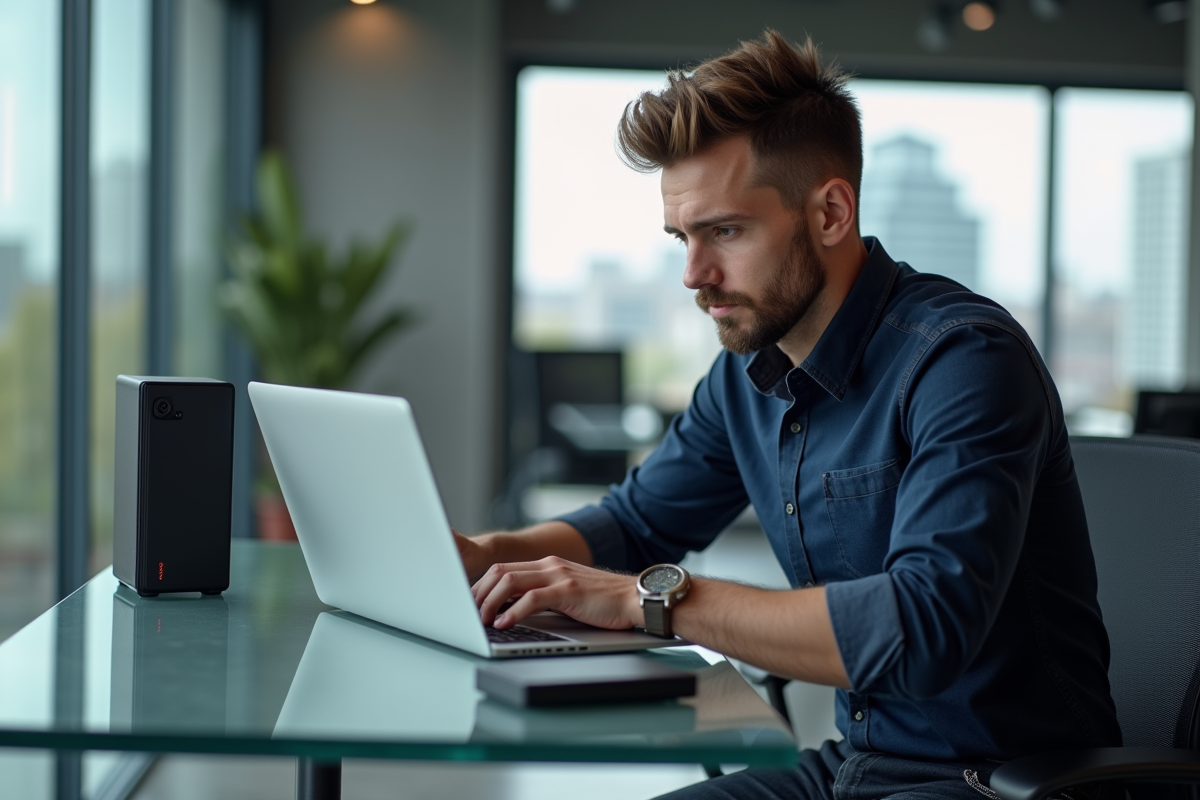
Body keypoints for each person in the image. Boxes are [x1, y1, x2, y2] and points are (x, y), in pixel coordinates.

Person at [457, 30, 1120, 800]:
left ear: (831, 211)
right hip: (855, 767)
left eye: (725, 232)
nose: (693, 276)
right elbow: (634, 526)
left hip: (996, 784)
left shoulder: (963, 360)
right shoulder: (745, 372)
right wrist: (485, 558)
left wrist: (652, 600)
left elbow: (925, 626)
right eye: (682, 237)